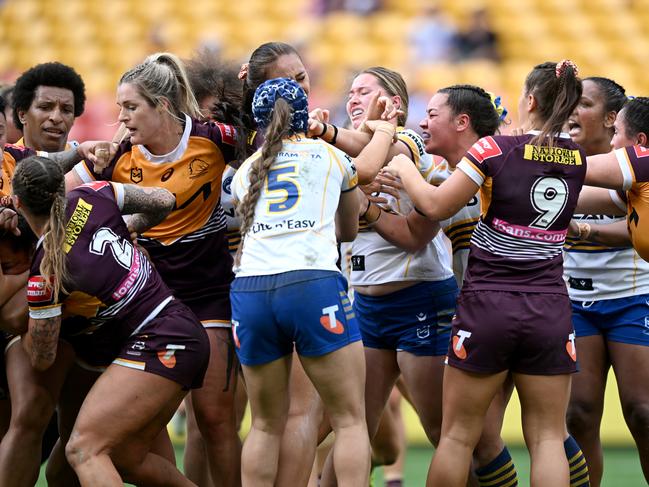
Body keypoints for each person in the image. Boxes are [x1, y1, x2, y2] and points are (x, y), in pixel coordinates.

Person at [383, 60, 584, 486]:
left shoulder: (493, 149)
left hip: (488, 303)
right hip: (549, 305)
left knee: (457, 436)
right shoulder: (576, 157)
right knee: (548, 438)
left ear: (529, 99)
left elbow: (436, 206)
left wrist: (402, 170)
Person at [68, 52, 241, 486]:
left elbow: (269, 149)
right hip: (147, 304)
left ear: (162, 105)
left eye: (130, 107)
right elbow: (64, 202)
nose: (120, 117)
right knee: (144, 430)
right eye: (120, 106)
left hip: (207, 293)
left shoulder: (214, 138)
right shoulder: (115, 158)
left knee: (215, 419)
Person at [230, 77, 394, 486]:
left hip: (250, 291)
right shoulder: (326, 155)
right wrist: (387, 130)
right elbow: (350, 228)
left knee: (265, 424)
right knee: (350, 418)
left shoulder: (246, 169)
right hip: (311, 283)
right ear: (305, 114)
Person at [10, 155, 209, 486]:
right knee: (127, 459)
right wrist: (131, 229)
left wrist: (22, 329)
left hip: (159, 340)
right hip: (181, 328)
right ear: (62, 188)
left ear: (18, 202)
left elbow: (42, 359)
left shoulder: (44, 274)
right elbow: (164, 199)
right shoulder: (93, 193)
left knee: (84, 450)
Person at [567, 96, 649, 484]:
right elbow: (591, 200)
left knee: (643, 411)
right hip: (577, 301)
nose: (615, 141)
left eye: (583, 103)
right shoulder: (632, 181)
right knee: (578, 412)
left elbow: (575, 169)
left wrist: (516, 157)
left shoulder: (639, 161)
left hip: (634, 297)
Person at [12, 62, 86, 152]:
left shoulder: (88, 163)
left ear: (73, 119)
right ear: (22, 115)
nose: (56, 118)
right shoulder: (5, 162)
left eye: (66, 110)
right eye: (45, 107)